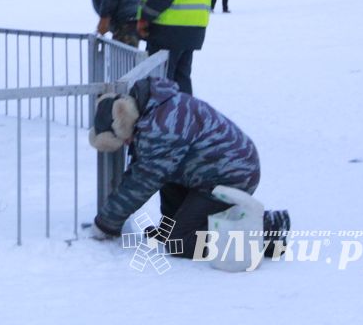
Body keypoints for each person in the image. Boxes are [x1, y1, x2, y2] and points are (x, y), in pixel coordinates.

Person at [88, 77, 289, 258]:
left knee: (180, 243)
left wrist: (105, 224)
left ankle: (266, 230)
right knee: (164, 174)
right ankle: (175, 227)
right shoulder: (154, 105)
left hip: (233, 175)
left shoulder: (161, 129)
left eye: (124, 140)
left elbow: (141, 183)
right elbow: (145, 170)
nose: (126, 144)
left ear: (123, 121)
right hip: (216, 168)